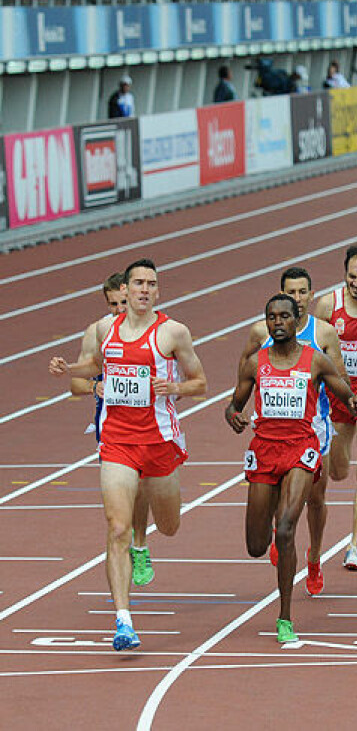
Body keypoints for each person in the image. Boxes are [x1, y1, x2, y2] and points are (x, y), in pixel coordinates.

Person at [49, 258, 207, 651]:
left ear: (158, 291)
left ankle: (146, 536)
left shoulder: (173, 332)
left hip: (160, 442)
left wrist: (174, 389)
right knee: (117, 527)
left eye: (151, 284)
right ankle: (123, 621)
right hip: (117, 440)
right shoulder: (103, 330)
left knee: (169, 525)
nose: (143, 290)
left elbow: (200, 382)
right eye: (138, 283)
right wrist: (73, 371)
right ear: (126, 289)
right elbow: (89, 369)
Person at [226, 294, 357, 644]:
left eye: (284, 316)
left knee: (287, 528)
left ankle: (284, 616)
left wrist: (356, 402)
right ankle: (275, 530)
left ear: (296, 319)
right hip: (264, 449)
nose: (278, 323)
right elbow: (234, 404)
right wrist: (234, 417)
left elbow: (345, 393)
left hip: (302, 447)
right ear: (267, 322)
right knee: (257, 546)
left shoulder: (314, 360)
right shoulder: (255, 363)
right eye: (272, 317)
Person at [237, 267, 344, 597]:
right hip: (270, 434)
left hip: (314, 428)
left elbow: (340, 379)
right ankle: (280, 532)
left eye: (301, 292)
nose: (296, 298)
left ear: (310, 295)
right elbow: (246, 368)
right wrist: (238, 408)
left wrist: (352, 404)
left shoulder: (324, 333)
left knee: (316, 499)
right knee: (280, 510)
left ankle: (314, 557)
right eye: (290, 292)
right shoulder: (261, 331)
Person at [69, 273, 156, 587]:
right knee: (121, 498)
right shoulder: (99, 331)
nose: (119, 309)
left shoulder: (155, 329)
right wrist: (94, 387)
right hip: (112, 426)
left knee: (143, 488)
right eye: (113, 304)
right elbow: (75, 384)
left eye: (123, 302)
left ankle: (140, 545)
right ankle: (125, 539)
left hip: (148, 424)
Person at [314, 246, 357, 571]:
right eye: (352, 276)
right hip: (337, 397)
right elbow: (312, 351)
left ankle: (354, 546)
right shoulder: (328, 305)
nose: (356, 283)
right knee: (338, 472)